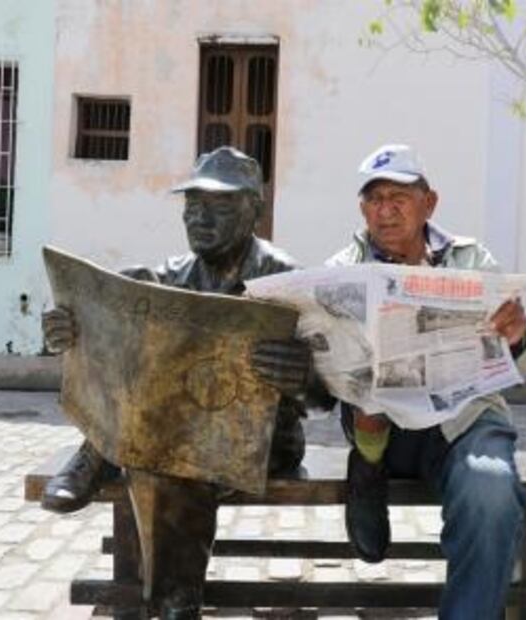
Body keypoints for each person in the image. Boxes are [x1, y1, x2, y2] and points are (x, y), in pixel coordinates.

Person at [41, 147, 323, 619]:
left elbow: (325, 396)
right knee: (162, 452)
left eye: (219, 205)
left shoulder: (287, 281)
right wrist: (69, 333)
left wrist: (302, 377)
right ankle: (175, 607)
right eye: (192, 204)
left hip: (262, 439)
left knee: (162, 454)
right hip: (175, 435)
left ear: (255, 208)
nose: (199, 217)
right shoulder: (168, 277)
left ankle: (97, 457)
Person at [327, 144, 526, 619]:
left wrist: (516, 335)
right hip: (380, 424)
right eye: (375, 199)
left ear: (430, 203)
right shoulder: (343, 268)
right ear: (363, 209)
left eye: (399, 196)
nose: (386, 210)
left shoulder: (469, 260)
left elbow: (517, 365)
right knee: (370, 398)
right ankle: (368, 471)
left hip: (462, 421)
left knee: (490, 488)